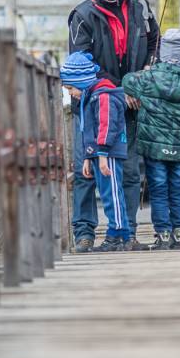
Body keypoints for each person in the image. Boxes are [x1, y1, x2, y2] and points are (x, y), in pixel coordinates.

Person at [67, 0, 160, 252]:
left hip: (132, 106)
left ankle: (127, 232)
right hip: (95, 107)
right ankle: (84, 233)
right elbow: (82, 63)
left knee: (130, 170)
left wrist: (145, 74)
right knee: (88, 169)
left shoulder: (141, 8)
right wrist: (122, 91)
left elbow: (154, 43)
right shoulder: (82, 16)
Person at [121, 29, 180, 250]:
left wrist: (147, 67)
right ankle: (178, 234)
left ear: (162, 52)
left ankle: (163, 234)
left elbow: (127, 81)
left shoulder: (150, 77)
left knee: (158, 188)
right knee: (176, 187)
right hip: (179, 144)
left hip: (154, 145)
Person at [60, 51, 131, 252]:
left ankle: (117, 235)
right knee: (109, 194)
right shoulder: (91, 97)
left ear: (82, 81)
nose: (71, 94)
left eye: (71, 88)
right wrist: (88, 157)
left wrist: (100, 155)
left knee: (112, 195)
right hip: (99, 154)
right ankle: (119, 234)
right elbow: (88, 132)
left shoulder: (103, 96)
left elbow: (106, 127)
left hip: (108, 154)